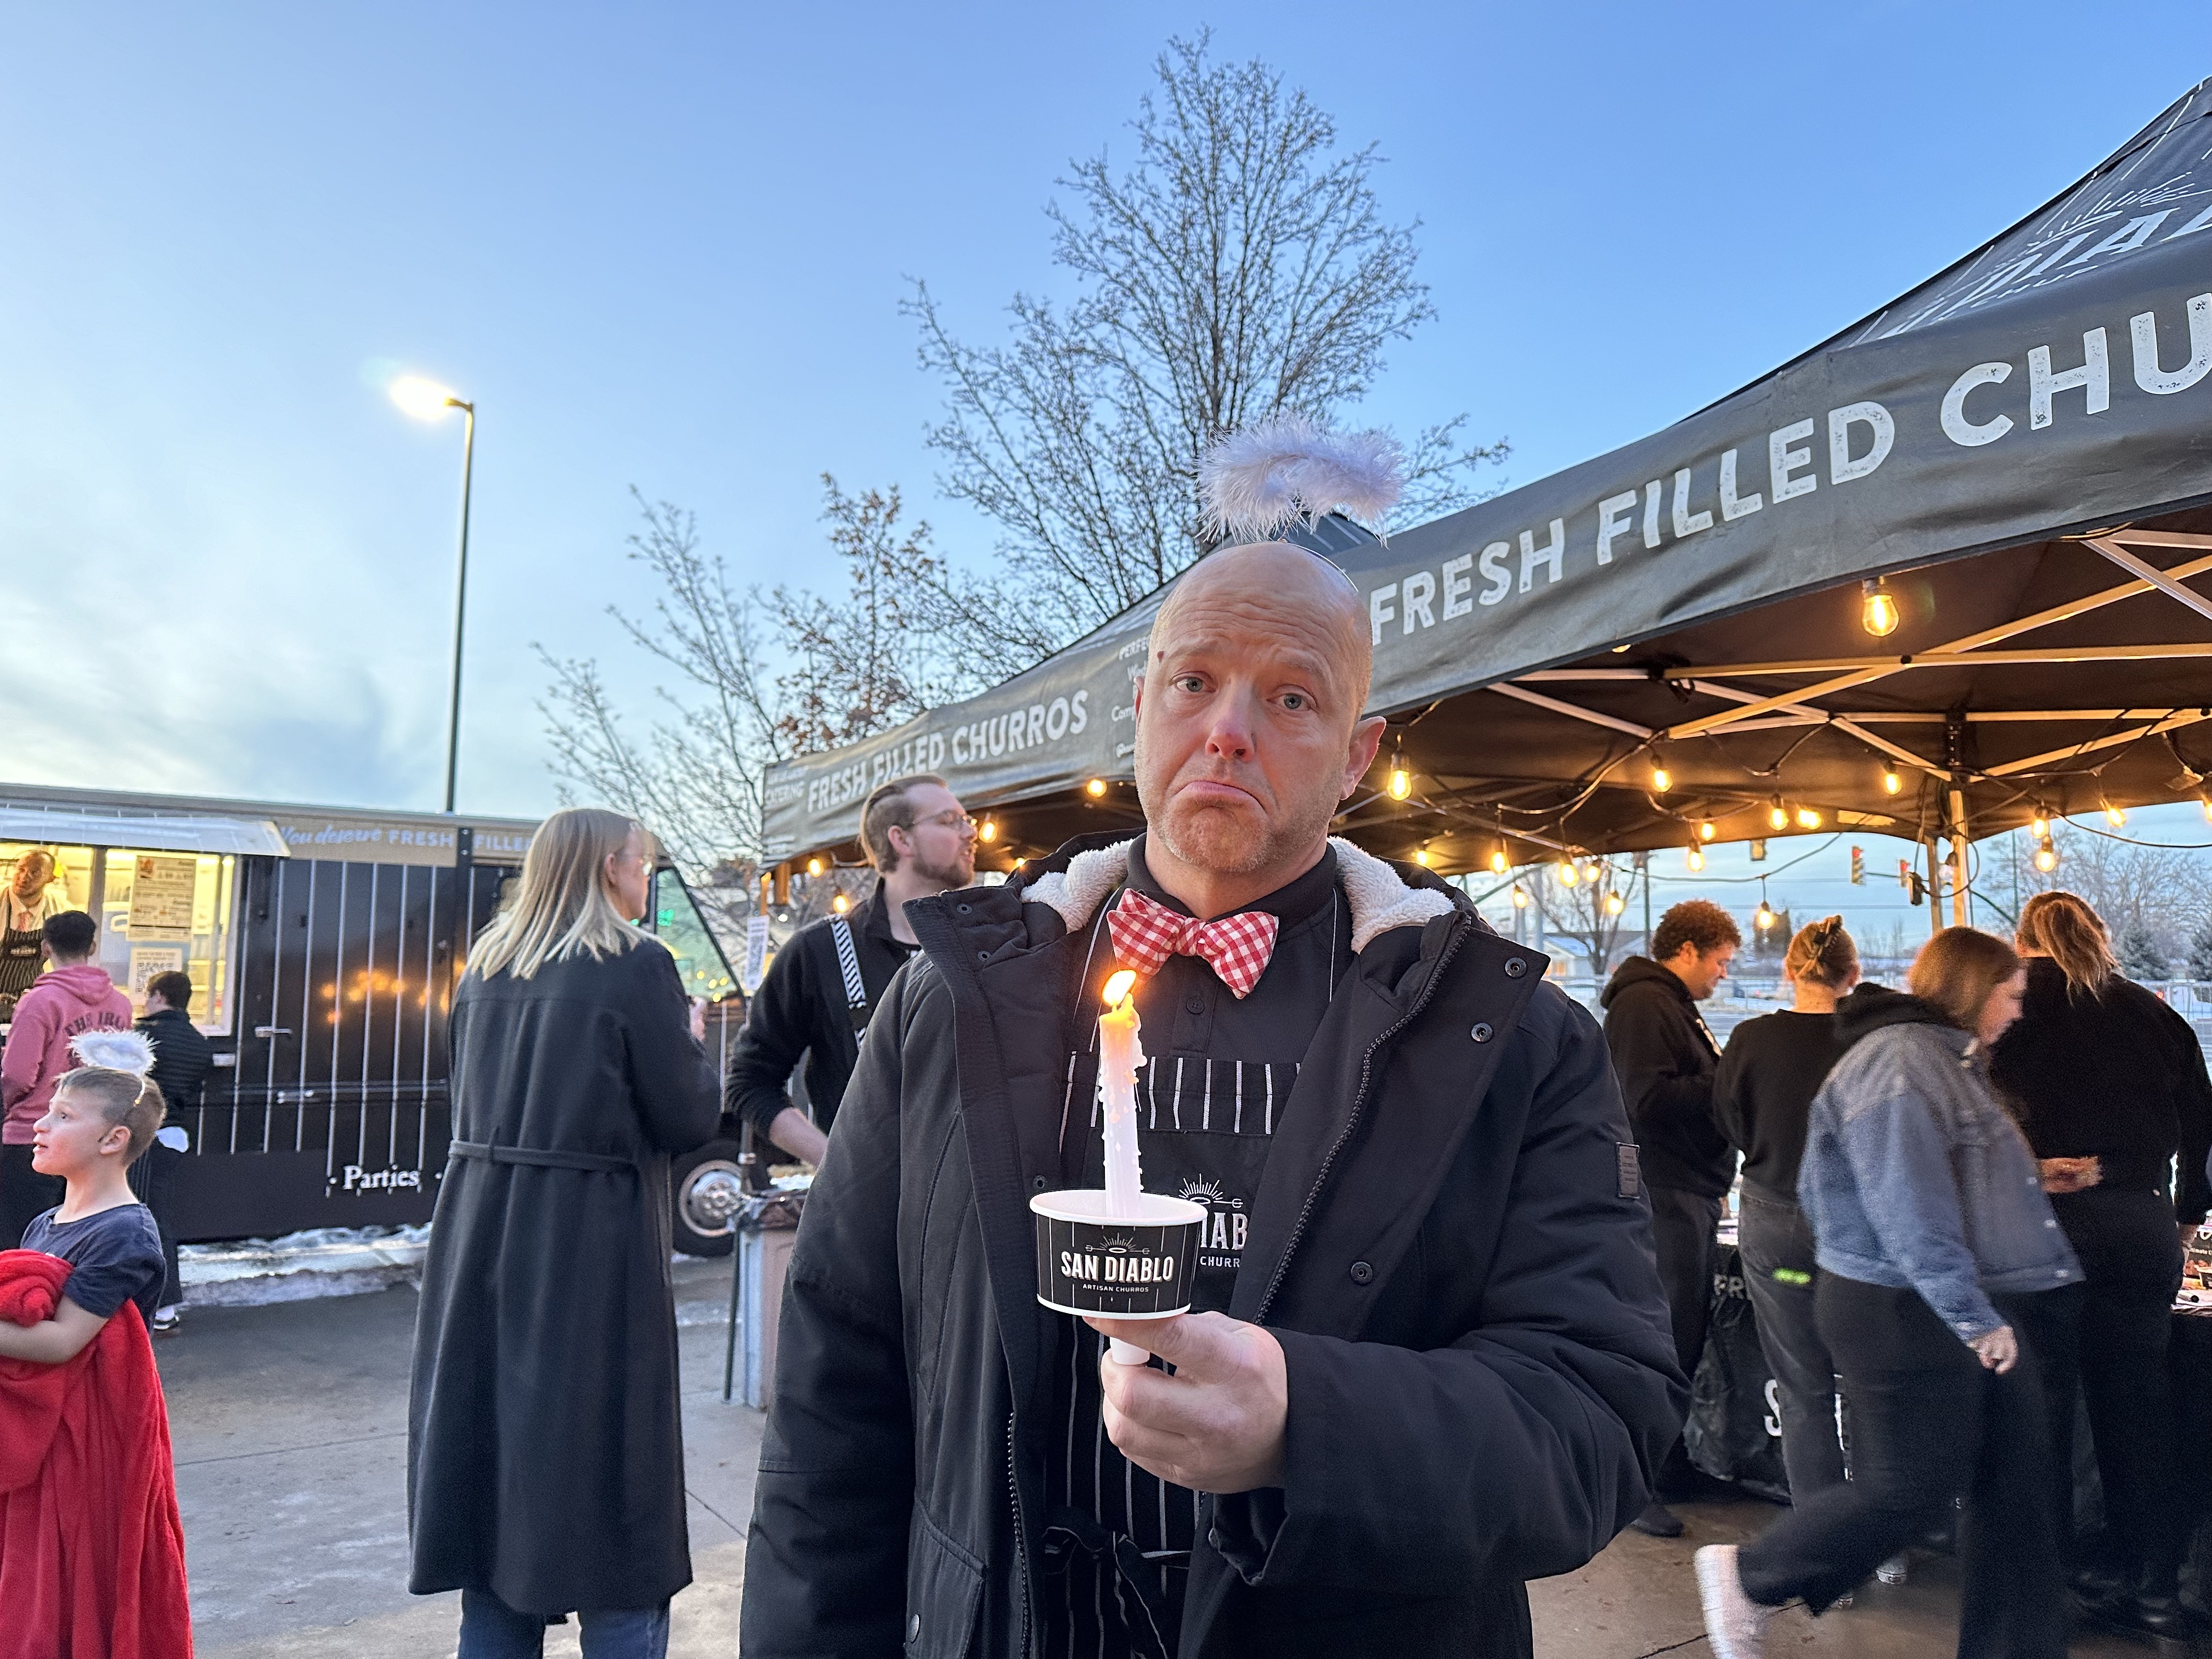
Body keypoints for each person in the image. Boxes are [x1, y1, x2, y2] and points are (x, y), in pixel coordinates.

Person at [741, 542, 1684, 1659]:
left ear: (1357, 757)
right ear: (1141, 708)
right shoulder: (945, 1007)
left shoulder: (1510, 1036)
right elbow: (837, 1397)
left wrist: (1309, 1420)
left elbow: (1600, 1419)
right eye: (1194, 682)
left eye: (1292, 696)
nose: (1229, 728)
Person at [1696, 928, 2084, 1659]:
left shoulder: (1946, 1061)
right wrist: (1972, 1316)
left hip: (1955, 1297)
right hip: (1906, 1305)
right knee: (1910, 1486)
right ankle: (1752, 1574)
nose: (2019, 1012)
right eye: (2012, 994)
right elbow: (1908, 1203)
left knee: (2013, 1491)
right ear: (1974, 988)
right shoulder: (1904, 1065)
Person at [408, 808, 721, 1658]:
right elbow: (687, 1114)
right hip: (588, 1242)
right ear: (608, 866)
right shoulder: (636, 965)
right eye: (642, 861)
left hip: (478, 1232)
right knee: (615, 1483)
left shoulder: (487, 965)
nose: (646, 877)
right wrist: (693, 1045)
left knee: (496, 1483)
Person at [1988, 890, 2212, 1640]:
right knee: (2137, 1414)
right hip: (2140, 1226)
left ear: (2023, 940)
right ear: (2099, 938)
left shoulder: (2006, 1014)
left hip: (2040, 1228)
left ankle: (2044, 1592)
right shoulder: (2155, 1016)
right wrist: (2184, 1211)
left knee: (2041, 1416)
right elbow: (2201, 1123)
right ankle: (2155, 1593)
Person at [0, 1030, 192, 1657]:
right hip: (45, 1428)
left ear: (114, 1140)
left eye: (62, 1116)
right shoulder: (46, 1221)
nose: (39, 1124)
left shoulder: (127, 1233)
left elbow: (59, 1341)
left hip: (91, 1442)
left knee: (69, 1581)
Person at [723, 774, 977, 1165]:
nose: (969, 833)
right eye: (950, 821)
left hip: (973, 1209)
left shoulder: (986, 944)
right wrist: (836, 1166)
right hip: (870, 1220)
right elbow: (750, 1083)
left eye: (967, 820)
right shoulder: (818, 952)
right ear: (901, 839)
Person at [1600, 898, 1741, 1536]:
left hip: (1686, 1190)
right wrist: (1729, 1080)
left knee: (1685, 1336)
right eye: (1720, 962)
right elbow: (1642, 1098)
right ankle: (1635, 1482)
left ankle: (1671, 1462)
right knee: (1663, 1337)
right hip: (1661, 1193)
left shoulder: (1673, 1008)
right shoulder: (1645, 1007)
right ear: (1686, 951)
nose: (1723, 976)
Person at [1711, 916, 1857, 1504]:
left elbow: (1727, 1119)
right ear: (1854, 973)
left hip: (1775, 1218)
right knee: (1869, 1382)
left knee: (1803, 1388)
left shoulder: (1751, 1039)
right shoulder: (1870, 1041)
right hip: (1855, 1226)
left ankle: (1824, 1551)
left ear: (1789, 971)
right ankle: (1881, 1544)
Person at [1, 911, 132, 1250]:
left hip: (35, 1135)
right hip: (95, 1138)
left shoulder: (40, 1001)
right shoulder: (120, 1004)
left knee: (23, 1242)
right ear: (92, 945)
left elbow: (17, 1074)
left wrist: (12, 1107)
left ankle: (26, 1304)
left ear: (45, 948)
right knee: (79, 1240)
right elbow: (125, 1074)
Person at [128, 970, 212, 1334]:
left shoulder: (145, 1037)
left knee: (148, 1221)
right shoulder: (199, 1042)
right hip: (178, 1136)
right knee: (157, 1217)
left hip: (148, 1136)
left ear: (160, 995)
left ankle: (162, 1307)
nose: (146, 1002)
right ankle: (161, 1307)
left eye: (148, 995)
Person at [0, 848, 69, 1009]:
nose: (24, 878)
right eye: (21, 870)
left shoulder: (59, 909)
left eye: (35, 872)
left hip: (32, 1001)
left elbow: (67, 958)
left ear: (50, 878)